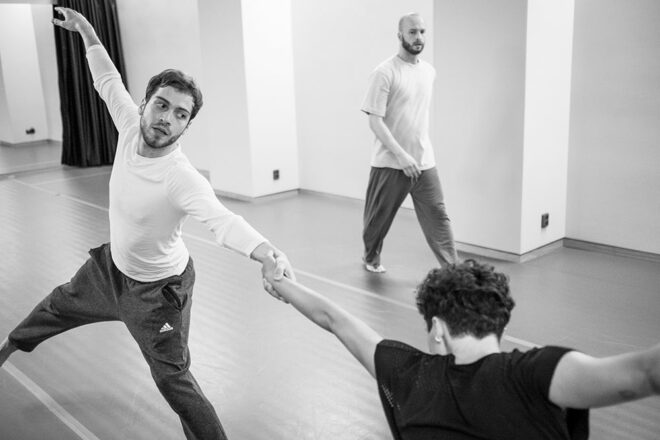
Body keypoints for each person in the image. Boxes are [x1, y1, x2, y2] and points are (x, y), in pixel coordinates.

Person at [0, 8, 293, 440]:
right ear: (145, 104)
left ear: (187, 125)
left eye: (180, 114)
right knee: (54, 307)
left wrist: (267, 253)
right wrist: (86, 30)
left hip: (158, 293)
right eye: (161, 105)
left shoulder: (180, 177)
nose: (166, 118)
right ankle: (7, 348)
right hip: (109, 272)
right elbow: (107, 79)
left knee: (174, 381)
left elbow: (223, 220)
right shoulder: (128, 128)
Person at [261, 257, 660, 439]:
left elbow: (333, 318)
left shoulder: (407, 374)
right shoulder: (539, 372)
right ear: (500, 323)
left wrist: (279, 279)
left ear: (437, 329)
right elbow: (646, 373)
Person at [361, 13, 458, 273]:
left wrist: (415, 156)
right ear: (400, 35)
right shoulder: (384, 73)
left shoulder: (429, 72)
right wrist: (402, 156)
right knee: (377, 221)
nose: (418, 37)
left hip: (424, 161)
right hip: (391, 162)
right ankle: (370, 258)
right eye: (412, 32)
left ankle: (453, 271)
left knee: (438, 216)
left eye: (422, 32)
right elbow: (375, 121)